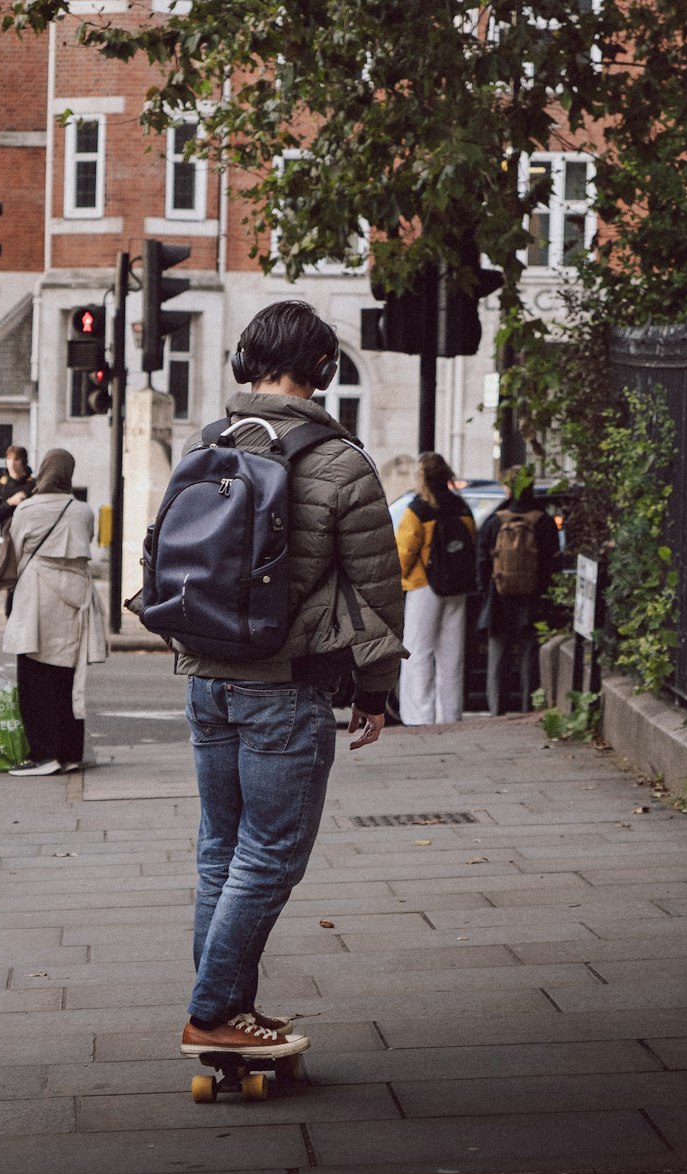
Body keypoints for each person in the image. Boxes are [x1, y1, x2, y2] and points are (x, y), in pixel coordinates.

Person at [172, 300, 405, 1064]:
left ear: (246, 360)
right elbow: (377, 591)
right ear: (324, 370)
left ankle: (229, 1010)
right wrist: (373, 693)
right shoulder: (339, 462)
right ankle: (211, 1012)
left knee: (220, 851)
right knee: (270, 857)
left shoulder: (207, 444)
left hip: (207, 679)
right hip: (285, 683)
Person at [1, 449, 107, 775]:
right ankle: (70, 752)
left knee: (33, 679)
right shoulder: (83, 511)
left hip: (37, 596)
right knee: (67, 680)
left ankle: (43, 755)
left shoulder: (27, 509)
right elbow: (83, 543)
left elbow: (15, 551)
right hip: (75, 598)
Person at [395, 452, 476, 723]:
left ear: (422, 477)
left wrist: (397, 581)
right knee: (451, 655)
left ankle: (420, 716)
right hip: (457, 588)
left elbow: (404, 552)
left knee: (418, 652)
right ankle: (450, 715)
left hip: (423, 585)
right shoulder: (461, 507)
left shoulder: (418, 509)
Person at [476, 465, 560, 716]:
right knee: (529, 657)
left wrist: (485, 591)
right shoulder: (543, 521)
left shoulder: (495, 520)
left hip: (499, 599)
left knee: (497, 660)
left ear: (509, 488)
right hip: (533, 599)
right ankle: (527, 708)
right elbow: (553, 561)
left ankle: (496, 711)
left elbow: (481, 560)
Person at [0, 445, 35, 536]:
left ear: (23, 462)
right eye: (9, 459)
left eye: (16, 459)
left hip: (28, 536)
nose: (12, 463)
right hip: (6, 537)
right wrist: (9, 502)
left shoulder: (33, 485)